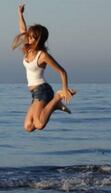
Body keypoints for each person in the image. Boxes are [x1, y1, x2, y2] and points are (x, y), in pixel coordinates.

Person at [13, 4, 76, 132]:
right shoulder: (28, 49)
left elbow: (61, 71)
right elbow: (22, 29)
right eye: (29, 36)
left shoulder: (42, 55)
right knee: (28, 127)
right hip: (34, 92)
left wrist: (64, 90)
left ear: (38, 39)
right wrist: (20, 14)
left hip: (43, 91)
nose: (28, 38)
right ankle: (55, 105)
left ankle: (57, 99)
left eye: (31, 36)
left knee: (39, 124)